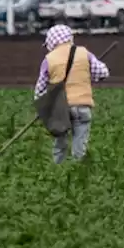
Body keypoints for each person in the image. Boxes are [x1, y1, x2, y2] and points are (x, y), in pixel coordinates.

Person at [33, 24, 110, 163]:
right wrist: (88, 78)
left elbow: (39, 90)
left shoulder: (49, 59)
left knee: (59, 143)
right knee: (80, 145)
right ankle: (77, 172)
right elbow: (103, 72)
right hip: (82, 106)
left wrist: (44, 109)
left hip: (60, 108)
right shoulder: (84, 53)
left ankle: (58, 169)